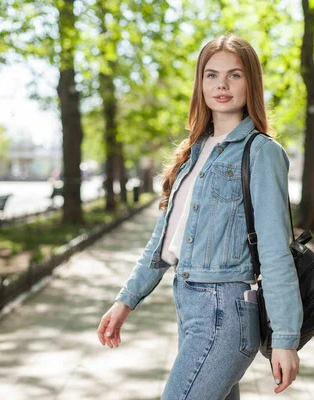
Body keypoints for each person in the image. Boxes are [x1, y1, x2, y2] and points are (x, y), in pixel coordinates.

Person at [97, 35, 303, 399]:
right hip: (190, 308)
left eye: (234, 75)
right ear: (200, 83)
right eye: (211, 75)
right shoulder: (194, 152)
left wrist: (286, 339)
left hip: (225, 315)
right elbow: (163, 240)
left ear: (250, 82)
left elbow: (275, 250)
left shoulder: (261, 153)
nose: (221, 85)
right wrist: (125, 300)